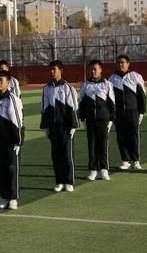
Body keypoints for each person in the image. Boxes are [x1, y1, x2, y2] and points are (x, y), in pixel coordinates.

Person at [0, 70, 24, 210]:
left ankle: (13, 198)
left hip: (11, 142)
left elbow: (17, 121)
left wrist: (18, 141)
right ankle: (5, 197)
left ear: (8, 82)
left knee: (12, 169)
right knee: (1, 170)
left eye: (1, 80)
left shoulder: (13, 99)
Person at [40, 60, 80, 192]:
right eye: (50, 70)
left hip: (65, 127)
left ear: (61, 71)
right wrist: (45, 126)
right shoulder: (46, 88)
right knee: (56, 155)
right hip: (53, 127)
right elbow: (44, 108)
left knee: (67, 155)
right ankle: (59, 181)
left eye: (54, 69)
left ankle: (69, 181)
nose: (52, 72)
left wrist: (73, 126)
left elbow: (73, 107)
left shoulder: (68, 88)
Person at [109, 55, 147, 170]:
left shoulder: (135, 76)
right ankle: (125, 160)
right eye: (118, 62)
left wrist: (141, 111)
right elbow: (109, 98)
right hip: (119, 113)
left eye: (123, 62)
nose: (120, 64)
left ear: (128, 64)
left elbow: (142, 95)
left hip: (133, 112)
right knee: (121, 137)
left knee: (134, 136)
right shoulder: (112, 79)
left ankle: (136, 160)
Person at [79, 59, 115, 181]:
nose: (93, 71)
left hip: (103, 120)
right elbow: (81, 103)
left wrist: (111, 120)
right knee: (92, 145)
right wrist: (82, 119)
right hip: (90, 120)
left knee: (103, 144)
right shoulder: (85, 85)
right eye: (91, 69)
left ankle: (104, 169)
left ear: (100, 70)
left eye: (95, 69)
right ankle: (93, 169)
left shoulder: (107, 84)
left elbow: (112, 103)